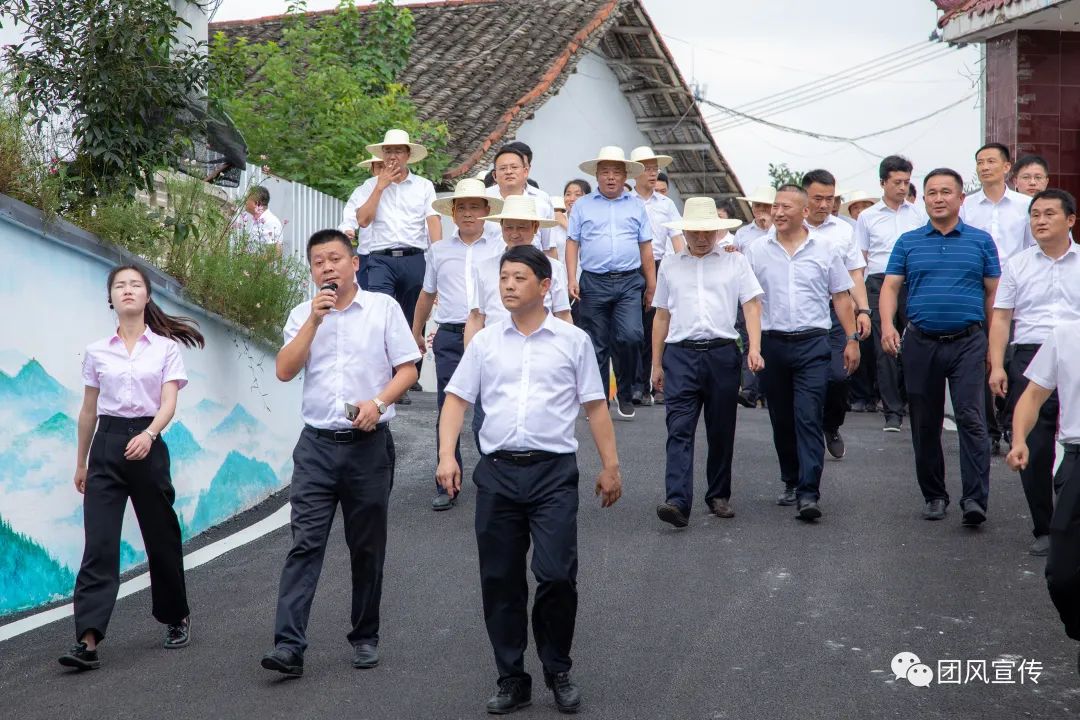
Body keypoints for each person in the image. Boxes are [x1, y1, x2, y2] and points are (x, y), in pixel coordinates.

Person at [436, 244, 623, 715]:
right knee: (500, 579)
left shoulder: (572, 341)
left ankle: (557, 669)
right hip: (497, 474)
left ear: (545, 286)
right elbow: (456, 399)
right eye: (504, 278)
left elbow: (595, 405)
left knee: (557, 574)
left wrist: (611, 465)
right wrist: (446, 456)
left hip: (552, 474)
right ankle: (511, 678)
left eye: (519, 278)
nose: (509, 286)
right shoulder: (485, 342)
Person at [261, 230, 420, 678]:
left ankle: (365, 635)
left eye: (334, 258)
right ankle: (288, 646)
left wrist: (379, 404)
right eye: (318, 262)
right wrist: (314, 321)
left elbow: (408, 369)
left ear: (355, 263)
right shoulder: (303, 314)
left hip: (368, 448)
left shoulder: (383, 309)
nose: (327, 267)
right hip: (316, 447)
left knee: (366, 546)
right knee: (304, 544)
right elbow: (284, 370)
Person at [59, 265, 204, 671]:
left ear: (147, 296)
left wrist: (150, 434)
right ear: (110, 298)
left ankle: (175, 616)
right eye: (119, 286)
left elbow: (169, 402)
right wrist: (82, 462)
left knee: (161, 536)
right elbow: (88, 410)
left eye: (135, 285)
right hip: (106, 446)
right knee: (99, 544)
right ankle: (88, 639)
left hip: (147, 444)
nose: (127, 290)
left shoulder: (165, 349)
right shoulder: (96, 351)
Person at [879, 169, 1001, 526]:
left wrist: (994, 346)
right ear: (924, 199)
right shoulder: (909, 242)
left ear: (961, 198)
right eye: (932, 192)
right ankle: (934, 495)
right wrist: (887, 325)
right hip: (921, 342)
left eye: (946, 192)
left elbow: (994, 294)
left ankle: (974, 499)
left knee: (971, 418)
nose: (938, 198)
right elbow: (890, 287)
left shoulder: (981, 241)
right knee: (924, 422)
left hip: (969, 341)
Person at [743, 185, 859, 521]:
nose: (778, 213)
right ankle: (791, 480)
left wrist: (851, 338)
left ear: (804, 212)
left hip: (812, 343)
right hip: (773, 343)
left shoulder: (825, 249)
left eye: (786, 207)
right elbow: (750, 301)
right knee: (781, 418)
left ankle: (809, 492)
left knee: (808, 416)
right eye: (775, 206)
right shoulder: (756, 250)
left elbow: (841, 296)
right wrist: (753, 346)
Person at [650, 198, 761, 527]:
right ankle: (677, 500)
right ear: (684, 231)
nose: (701, 238)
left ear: (717, 231)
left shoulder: (734, 261)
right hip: (680, 353)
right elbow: (661, 315)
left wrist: (754, 348)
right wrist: (656, 363)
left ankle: (718, 494)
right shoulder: (670, 264)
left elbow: (751, 305)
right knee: (679, 428)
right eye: (694, 232)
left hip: (722, 353)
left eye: (707, 232)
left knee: (721, 428)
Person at [990, 189, 1080, 555]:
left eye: (1048, 214)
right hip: (1030, 353)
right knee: (1034, 442)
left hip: (1075, 352)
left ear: (1070, 220)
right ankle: (1045, 527)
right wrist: (997, 364)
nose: (1040, 221)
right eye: (1035, 214)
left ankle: (1069, 515)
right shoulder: (1017, 264)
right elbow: (1002, 317)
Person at [413, 179, 504, 512]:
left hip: (491, 334)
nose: (468, 213)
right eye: (461, 207)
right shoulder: (439, 251)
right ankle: (446, 483)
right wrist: (416, 330)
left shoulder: (500, 247)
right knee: (448, 406)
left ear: (486, 211)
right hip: (450, 336)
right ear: (452, 213)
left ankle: (496, 476)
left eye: (474, 207)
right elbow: (427, 294)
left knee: (489, 407)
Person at [1006, 317, 1080, 666]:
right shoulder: (1065, 335)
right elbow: (1033, 396)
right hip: (1077, 461)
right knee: (1061, 575)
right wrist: (1020, 439)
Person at [565, 146, 655, 421]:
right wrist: (572, 277)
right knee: (596, 344)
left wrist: (652, 285)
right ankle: (600, 400)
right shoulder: (583, 205)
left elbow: (646, 247)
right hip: (593, 281)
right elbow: (572, 243)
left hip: (629, 281)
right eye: (605, 172)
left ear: (625, 176)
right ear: (597, 175)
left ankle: (625, 392)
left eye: (616, 172)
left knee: (631, 336)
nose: (611, 177)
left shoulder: (636, 205)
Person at [354, 129, 442, 405]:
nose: (393, 156)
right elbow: (363, 220)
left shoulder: (423, 186)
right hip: (380, 258)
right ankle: (381, 383)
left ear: (407, 155)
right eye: (388, 151)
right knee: (379, 317)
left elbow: (433, 222)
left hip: (414, 257)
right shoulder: (369, 186)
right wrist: (380, 186)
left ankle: (404, 380)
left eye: (398, 151)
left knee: (411, 319)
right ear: (382, 155)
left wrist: (439, 258)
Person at [961, 142, 1037, 453]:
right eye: (980, 162)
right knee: (980, 358)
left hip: (1016, 290)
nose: (984, 167)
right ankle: (988, 430)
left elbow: (1034, 248)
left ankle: (1009, 422)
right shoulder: (966, 207)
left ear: (1007, 167)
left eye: (991, 161)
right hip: (976, 290)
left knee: (1011, 360)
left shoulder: (1025, 205)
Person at [802, 170, 872, 460]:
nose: (824, 205)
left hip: (837, 312)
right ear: (804, 198)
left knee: (839, 376)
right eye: (817, 198)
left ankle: (831, 425)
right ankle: (805, 438)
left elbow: (855, 273)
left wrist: (863, 310)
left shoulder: (844, 231)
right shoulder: (787, 228)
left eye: (829, 199)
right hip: (802, 313)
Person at [855, 155, 925, 432]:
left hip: (911, 282)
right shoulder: (867, 217)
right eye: (897, 182)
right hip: (878, 281)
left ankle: (913, 403)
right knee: (884, 347)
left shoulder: (918, 214)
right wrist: (859, 299)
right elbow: (860, 259)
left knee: (915, 344)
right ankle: (892, 412)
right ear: (883, 182)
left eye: (906, 182)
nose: (902, 187)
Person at [465, 195, 573, 343]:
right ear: (501, 227)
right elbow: (476, 317)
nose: (515, 234)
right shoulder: (484, 268)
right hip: (496, 347)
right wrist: (470, 355)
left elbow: (562, 315)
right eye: (509, 227)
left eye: (522, 227)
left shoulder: (554, 267)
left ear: (535, 227)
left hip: (541, 346)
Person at [629, 145, 684, 407]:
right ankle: (636, 385)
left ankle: (658, 383)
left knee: (657, 327)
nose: (653, 173)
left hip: (661, 266)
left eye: (655, 169)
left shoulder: (667, 204)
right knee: (633, 330)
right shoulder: (625, 201)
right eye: (647, 169)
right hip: (630, 267)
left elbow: (677, 237)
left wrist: (685, 266)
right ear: (635, 173)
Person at [840, 190, 882, 413]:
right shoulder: (846, 229)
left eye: (865, 206)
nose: (860, 211)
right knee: (856, 343)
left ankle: (876, 393)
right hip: (849, 293)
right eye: (856, 207)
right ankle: (859, 394)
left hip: (874, 289)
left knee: (875, 345)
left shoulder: (872, 225)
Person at [486, 144, 556, 257]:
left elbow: (548, 248)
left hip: (531, 266)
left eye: (514, 167)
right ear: (494, 175)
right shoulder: (482, 200)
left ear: (525, 171)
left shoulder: (541, 203)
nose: (509, 172)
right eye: (503, 168)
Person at [340, 155, 384, 263]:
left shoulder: (402, 191)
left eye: (386, 167)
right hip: (367, 251)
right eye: (379, 166)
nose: (383, 171)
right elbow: (351, 212)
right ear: (372, 169)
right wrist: (348, 229)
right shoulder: (362, 190)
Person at [238, 185, 283, 253]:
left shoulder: (270, 221)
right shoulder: (257, 220)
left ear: (257, 203)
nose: (245, 201)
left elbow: (275, 252)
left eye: (247, 199)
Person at [733, 186, 776, 251]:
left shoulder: (784, 231)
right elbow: (735, 256)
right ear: (752, 207)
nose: (761, 209)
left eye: (766, 205)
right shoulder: (741, 233)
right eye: (757, 205)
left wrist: (771, 227)